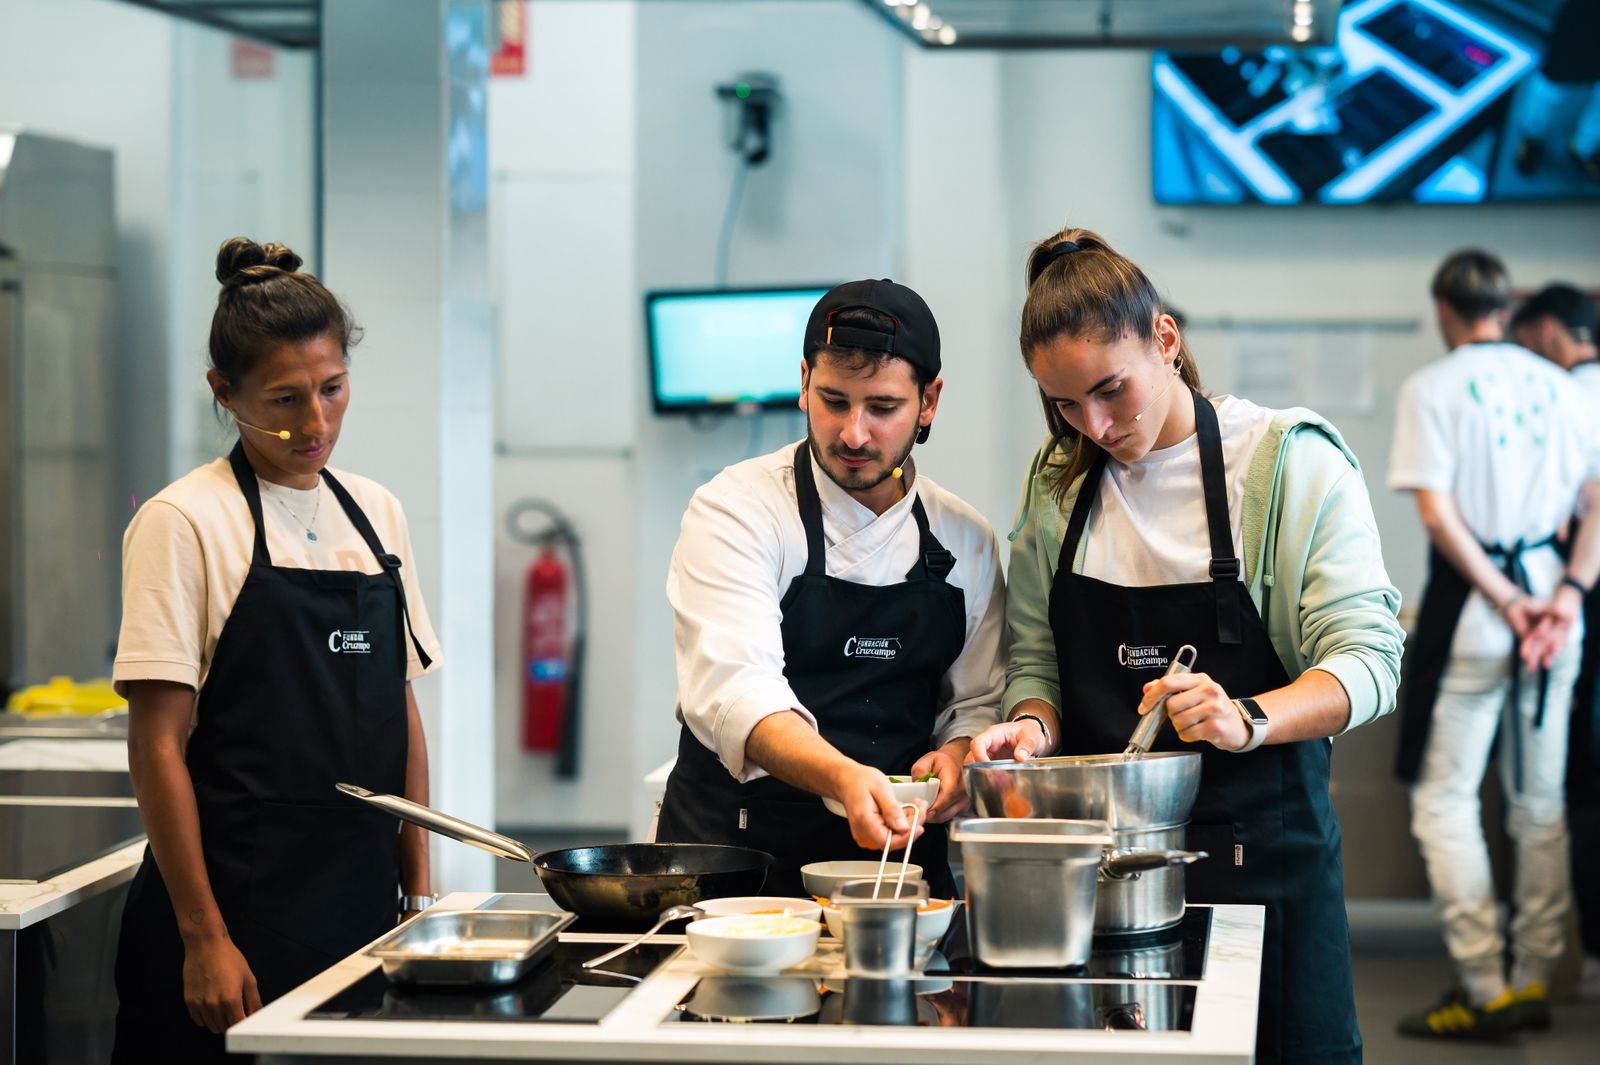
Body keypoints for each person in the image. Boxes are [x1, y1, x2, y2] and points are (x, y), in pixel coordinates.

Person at [966, 226, 1403, 1064]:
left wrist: (1246, 716)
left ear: (1164, 339)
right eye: (1062, 404)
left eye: (1110, 391)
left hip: (1265, 865)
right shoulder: (1058, 483)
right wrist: (1032, 727)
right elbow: (1035, 662)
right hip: (1105, 882)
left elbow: (1370, 661)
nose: (1093, 424)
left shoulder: (1284, 465)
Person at [111, 238, 443, 1063]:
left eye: (333, 390)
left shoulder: (376, 513)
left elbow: (401, 713)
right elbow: (156, 745)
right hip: (234, 924)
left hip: (362, 919)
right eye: (285, 399)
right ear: (224, 392)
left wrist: (421, 895)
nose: (316, 423)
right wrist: (204, 939)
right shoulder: (184, 521)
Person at [654, 279, 1005, 898]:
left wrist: (956, 755)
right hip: (734, 871)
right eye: (834, 401)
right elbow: (736, 689)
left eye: (883, 407)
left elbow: (973, 701)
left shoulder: (965, 539)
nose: (854, 434)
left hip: (896, 874)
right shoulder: (737, 509)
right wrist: (842, 777)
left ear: (929, 402)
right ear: (803, 383)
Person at [1390, 252, 1600, 1040]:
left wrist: (1507, 600)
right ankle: (1534, 975)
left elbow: (1441, 517)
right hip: (1556, 610)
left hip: (1485, 613)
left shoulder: (1431, 387)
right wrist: (1564, 597)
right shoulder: (1560, 384)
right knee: (1538, 806)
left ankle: (1484, 984)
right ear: (1505, 307)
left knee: (1444, 799)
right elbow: (1595, 498)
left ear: (1445, 307)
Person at [1510, 282, 1600, 999]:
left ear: (1546, 329)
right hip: (1570, 600)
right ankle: (1560, 961)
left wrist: (1564, 591)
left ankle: (1561, 962)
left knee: (1569, 786)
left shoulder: (1562, 394)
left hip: (1567, 604)